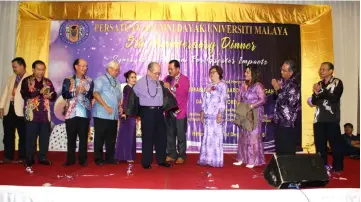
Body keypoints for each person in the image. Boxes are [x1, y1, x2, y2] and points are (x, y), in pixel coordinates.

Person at [133, 62, 173, 169]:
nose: (157, 75)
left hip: (159, 112)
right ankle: (146, 162)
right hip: (147, 112)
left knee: (161, 137)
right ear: (148, 71)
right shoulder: (140, 83)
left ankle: (161, 160)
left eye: (159, 73)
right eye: (155, 73)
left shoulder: (159, 83)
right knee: (148, 137)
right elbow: (133, 98)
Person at [21, 60, 57, 168]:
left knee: (44, 138)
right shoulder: (27, 81)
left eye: (43, 69)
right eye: (38, 69)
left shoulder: (48, 82)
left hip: (45, 114)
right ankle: (29, 159)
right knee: (30, 138)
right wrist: (39, 92)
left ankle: (42, 158)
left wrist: (50, 96)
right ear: (33, 69)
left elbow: (54, 95)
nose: (41, 72)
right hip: (32, 114)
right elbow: (25, 95)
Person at [311, 62, 344, 172]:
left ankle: (337, 167)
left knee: (335, 144)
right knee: (320, 144)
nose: (321, 71)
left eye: (324, 69)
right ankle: (322, 166)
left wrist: (321, 92)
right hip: (319, 118)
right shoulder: (319, 83)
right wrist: (316, 93)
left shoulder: (337, 82)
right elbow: (315, 101)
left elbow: (334, 98)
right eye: (320, 69)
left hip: (332, 118)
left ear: (331, 71)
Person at [62, 58, 94, 166]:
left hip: (84, 113)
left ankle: (82, 160)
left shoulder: (89, 81)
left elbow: (91, 96)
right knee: (71, 138)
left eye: (86, 66)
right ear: (76, 66)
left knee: (83, 138)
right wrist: (74, 93)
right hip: (71, 113)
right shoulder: (68, 80)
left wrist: (85, 92)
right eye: (83, 66)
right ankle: (70, 159)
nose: (85, 68)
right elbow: (64, 94)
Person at [233, 65, 266, 168]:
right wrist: (239, 107)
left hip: (255, 113)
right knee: (243, 136)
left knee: (253, 136)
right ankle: (241, 158)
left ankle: (253, 160)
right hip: (244, 113)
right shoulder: (242, 85)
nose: (245, 74)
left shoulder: (258, 86)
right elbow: (238, 97)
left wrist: (251, 106)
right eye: (245, 72)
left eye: (248, 72)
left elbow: (263, 100)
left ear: (254, 73)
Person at [92, 60, 122, 166]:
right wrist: (105, 106)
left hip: (113, 115)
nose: (117, 72)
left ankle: (110, 158)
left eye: (118, 70)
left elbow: (119, 98)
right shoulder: (100, 80)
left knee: (111, 138)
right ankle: (98, 159)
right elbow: (95, 93)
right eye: (116, 70)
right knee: (99, 138)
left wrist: (120, 106)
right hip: (101, 114)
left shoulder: (117, 82)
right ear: (109, 69)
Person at [0, 57, 29, 164]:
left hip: (22, 111)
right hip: (9, 110)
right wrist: (1, 107)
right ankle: (8, 157)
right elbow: (5, 92)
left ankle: (22, 157)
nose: (14, 69)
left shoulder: (29, 78)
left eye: (15, 67)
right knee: (8, 135)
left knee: (23, 135)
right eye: (13, 67)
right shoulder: (11, 78)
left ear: (22, 66)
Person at [198, 66, 227, 167]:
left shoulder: (222, 85)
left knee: (216, 137)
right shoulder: (208, 85)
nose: (211, 74)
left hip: (216, 115)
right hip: (207, 115)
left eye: (214, 72)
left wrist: (220, 113)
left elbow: (223, 100)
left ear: (219, 74)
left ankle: (216, 160)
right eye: (210, 72)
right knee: (207, 137)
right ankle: (207, 159)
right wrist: (202, 111)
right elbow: (204, 100)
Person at [163, 60, 190, 164]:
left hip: (180, 112)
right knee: (170, 133)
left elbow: (182, 95)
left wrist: (170, 89)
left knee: (180, 134)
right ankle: (171, 154)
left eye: (171, 69)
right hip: (169, 111)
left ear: (178, 69)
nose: (169, 71)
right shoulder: (167, 79)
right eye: (168, 69)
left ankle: (182, 155)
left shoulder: (184, 80)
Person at [272, 60, 300, 155]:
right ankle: (280, 168)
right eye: (281, 69)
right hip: (279, 120)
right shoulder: (282, 82)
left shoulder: (294, 85)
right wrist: (276, 90)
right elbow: (276, 98)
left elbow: (291, 103)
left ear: (291, 72)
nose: (281, 72)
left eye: (284, 70)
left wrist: (278, 90)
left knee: (287, 149)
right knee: (279, 148)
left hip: (288, 121)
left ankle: (289, 169)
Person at [114, 70, 137, 162]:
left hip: (131, 114)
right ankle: (126, 156)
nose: (134, 79)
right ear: (127, 79)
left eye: (135, 77)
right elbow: (126, 102)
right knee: (126, 136)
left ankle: (125, 156)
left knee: (129, 135)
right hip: (126, 114)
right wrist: (124, 113)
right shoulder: (127, 88)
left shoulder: (133, 88)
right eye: (132, 77)